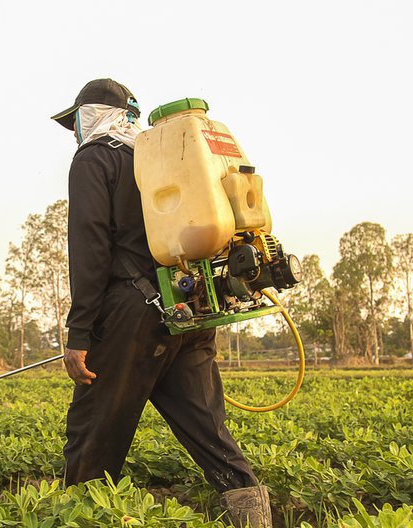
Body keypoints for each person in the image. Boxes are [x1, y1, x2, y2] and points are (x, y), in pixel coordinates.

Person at [50, 78, 272, 528]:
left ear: (89, 116)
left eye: (75, 121)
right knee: (208, 430)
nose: (73, 132)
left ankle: (79, 519)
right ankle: (255, 519)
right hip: (190, 309)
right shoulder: (165, 161)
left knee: (93, 431)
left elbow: (90, 249)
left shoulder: (96, 157)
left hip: (131, 316)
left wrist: (79, 335)